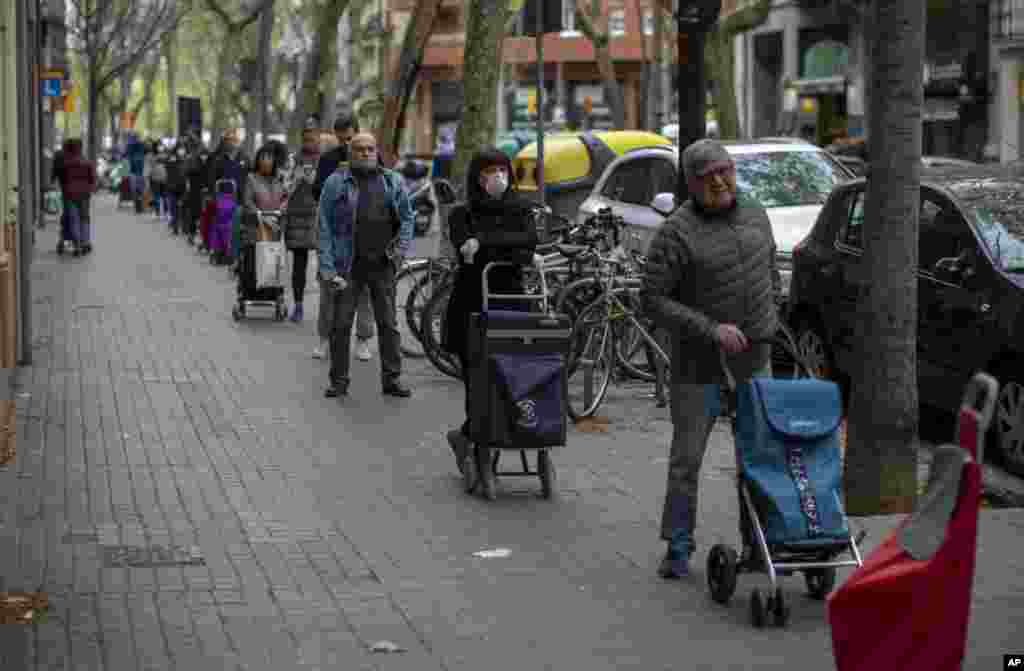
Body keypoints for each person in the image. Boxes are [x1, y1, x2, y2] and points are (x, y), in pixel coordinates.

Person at [642, 139, 780, 579]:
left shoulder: (756, 214)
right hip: (698, 364)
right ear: (692, 183)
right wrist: (710, 330)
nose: (719, 180)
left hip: (753, 359)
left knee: (758, 459)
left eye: (725, 170)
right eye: (707, 176)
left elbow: (770, 274)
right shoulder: (677, 232)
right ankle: (678, 548)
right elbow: (652, 298)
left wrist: (770, 318)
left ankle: (758, 546)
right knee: (687, 459)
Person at [441, 147, 541, 471]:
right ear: (476, 176)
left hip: (512, 302)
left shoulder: (521, 207)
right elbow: (470, 249)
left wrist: (484, 242)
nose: (496, 177)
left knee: (511, 378)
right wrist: (505, 246)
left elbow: (529, 240)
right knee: (478, 380)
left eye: (501, 169)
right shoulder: (461, 213)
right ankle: (476, 438)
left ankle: (470, 435)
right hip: (472, 303)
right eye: (487, 171)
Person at [318, 132, 414, 399]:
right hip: (347, 266)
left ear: (376, 152)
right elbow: (323, 225)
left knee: (389, 325)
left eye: (370, 149)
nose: (366, 153)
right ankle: (339, 382)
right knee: (340, 326)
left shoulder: (392, 181)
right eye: (359, 149)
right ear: (350, 153)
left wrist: (399, 252)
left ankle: (392, 380)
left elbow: (407, 218)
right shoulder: (336, 183)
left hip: (383, 265)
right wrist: (328, 269)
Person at [313, 114, 375, 362]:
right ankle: (324, 339)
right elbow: (318, 192)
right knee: (329, 292)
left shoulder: (371, 159)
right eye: (342, 139)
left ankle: (362, 340)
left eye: (350, 138)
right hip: (337, 235)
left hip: (364, 238)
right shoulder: (329, 159)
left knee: (364, 293)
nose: (346, 145)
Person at [283, 119, 322, 323]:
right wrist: (295, 179)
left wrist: (314, 179)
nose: (309, 141)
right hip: (297, 214)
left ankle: (327, 307)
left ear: (318, 137)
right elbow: (285, 188)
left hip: (319, 215)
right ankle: (298, 305)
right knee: (299, 264)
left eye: (312, 137)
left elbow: (329, 186)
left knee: (324, 262)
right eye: (305, 138)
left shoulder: (325, 159)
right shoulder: (294, 159)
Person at [56, 138, 97, 255]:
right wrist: (89, 188)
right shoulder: (87, 162)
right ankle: (86, 242)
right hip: (84, 195)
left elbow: (60, 179)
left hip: (70, 194)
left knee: (73, 219)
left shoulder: (65, 163)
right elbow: (92, 179)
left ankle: (77, 244)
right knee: (84, 218)